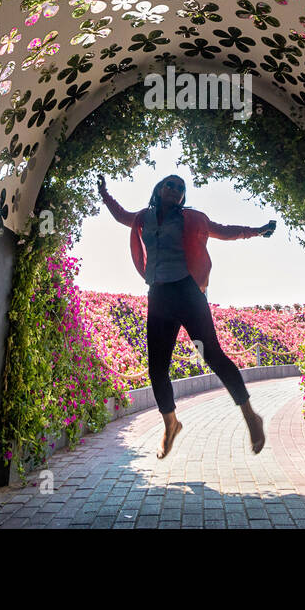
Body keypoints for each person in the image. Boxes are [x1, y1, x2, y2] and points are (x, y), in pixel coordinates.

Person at [97, 173, 277, 459]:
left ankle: (250, 415)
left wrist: (257, 230)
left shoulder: (192, 218)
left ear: (183, 197)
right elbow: (121, 216)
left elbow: (226, 230)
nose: (176, 190)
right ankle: (171, 425)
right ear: (159, 189)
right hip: (159, 295)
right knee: (157, 368)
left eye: (181, 188)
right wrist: (104, 194)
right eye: (171, 184)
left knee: (213, 355)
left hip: (187, 291)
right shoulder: (144, 217)